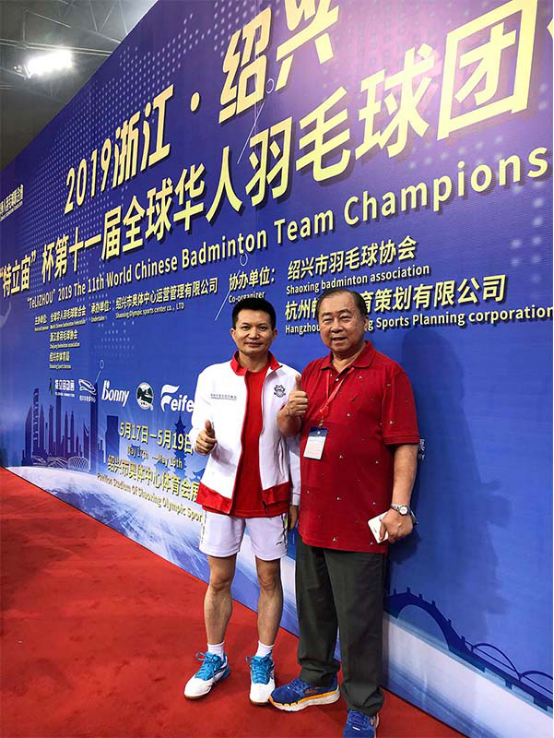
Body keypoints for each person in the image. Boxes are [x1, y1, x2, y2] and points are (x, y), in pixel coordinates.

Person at [270, 288, 420, 738]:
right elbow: (291, 431)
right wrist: (287, 415)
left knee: (358, 621)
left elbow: (405, 445)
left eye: (344, 317)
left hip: (361, 520)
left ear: (364, 321)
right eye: (326, 319)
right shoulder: (312, 372)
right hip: (314, 515)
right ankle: (317, 679)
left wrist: (400, 506)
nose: (334, 327)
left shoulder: (388, 374)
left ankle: (363, 704)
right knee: (314, 608)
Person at [184, 297, 300, 707]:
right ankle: (215, 658)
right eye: (246, 327)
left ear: (274, 333)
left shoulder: (290, 378)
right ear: (233, 333)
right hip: (222, 493)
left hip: (270, 497)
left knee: (270, 581)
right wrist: (200, 441)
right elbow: (198, 429)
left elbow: (294, 443)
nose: (254, 334)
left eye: (262, 327)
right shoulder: (212, 376)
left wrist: (296, 496)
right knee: (219, 580)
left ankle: (263, 659)